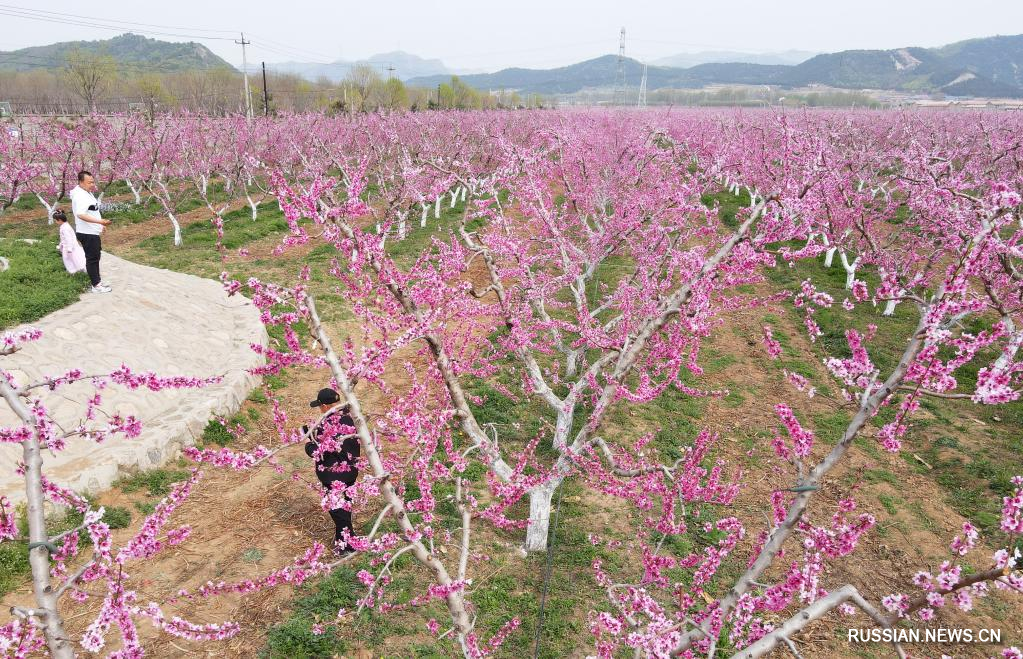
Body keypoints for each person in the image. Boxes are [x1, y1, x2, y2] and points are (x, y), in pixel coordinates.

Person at [303, 388, 360, 555]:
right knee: (345, 506)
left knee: (337, 509)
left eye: (320, 406)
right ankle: (343, 540)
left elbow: (318, 451)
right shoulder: (351, 418)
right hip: (350, 471)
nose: (320, 410)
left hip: (334, 475)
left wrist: (308, 442)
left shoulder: (327, 425)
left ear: (326, 406)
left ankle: (347, 545)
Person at [70, 170, 111, 294]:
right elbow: (81, 214)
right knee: (92, 258)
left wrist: (100, 225)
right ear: (81, 182)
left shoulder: (86, 192)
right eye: (89, 182)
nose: (92, 184)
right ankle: (96, 285)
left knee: (95, 256)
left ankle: (97, 281)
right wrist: (100, 222)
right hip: (87, 233)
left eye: (93, 182)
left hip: (91, 231)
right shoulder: (81, 196)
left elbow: (92, 211)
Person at [53, 209, 86, 275]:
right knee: (75, 259)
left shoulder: (65, 228)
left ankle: (73, 272)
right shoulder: (65, 225)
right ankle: (77, 271)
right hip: (70, 246)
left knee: (68, 260)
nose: (55, 222)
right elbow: (63, 239)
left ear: (59, 220)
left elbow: (68, 239)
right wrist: (60, 245)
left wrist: (69, 249)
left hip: (69, 247)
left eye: (55, 220)